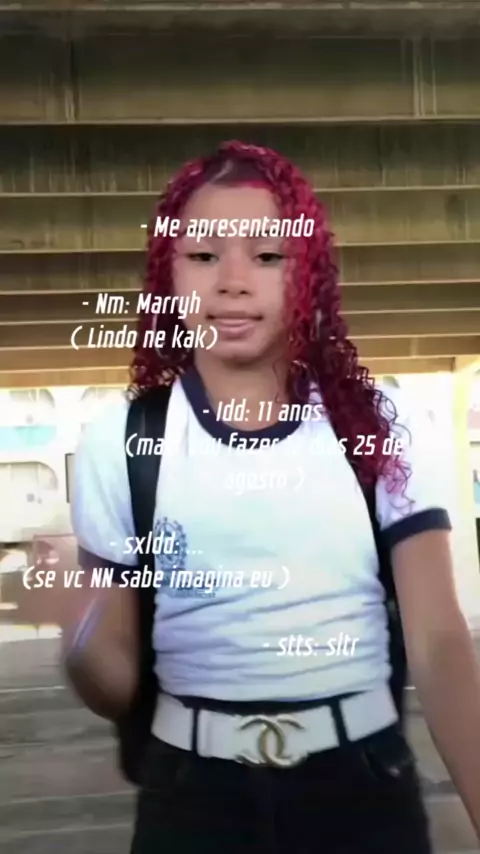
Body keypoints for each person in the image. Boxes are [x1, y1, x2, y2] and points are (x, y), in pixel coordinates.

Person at [65, 140, 480, 853]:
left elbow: (439, 642)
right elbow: (114, 680)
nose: (232, 282)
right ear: (167, 273)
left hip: (361, 789)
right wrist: (76, 633)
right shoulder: (120, 441)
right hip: (189, 799)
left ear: (307, 272)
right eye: (203, 256)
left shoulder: (384, 425)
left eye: (267, 255)